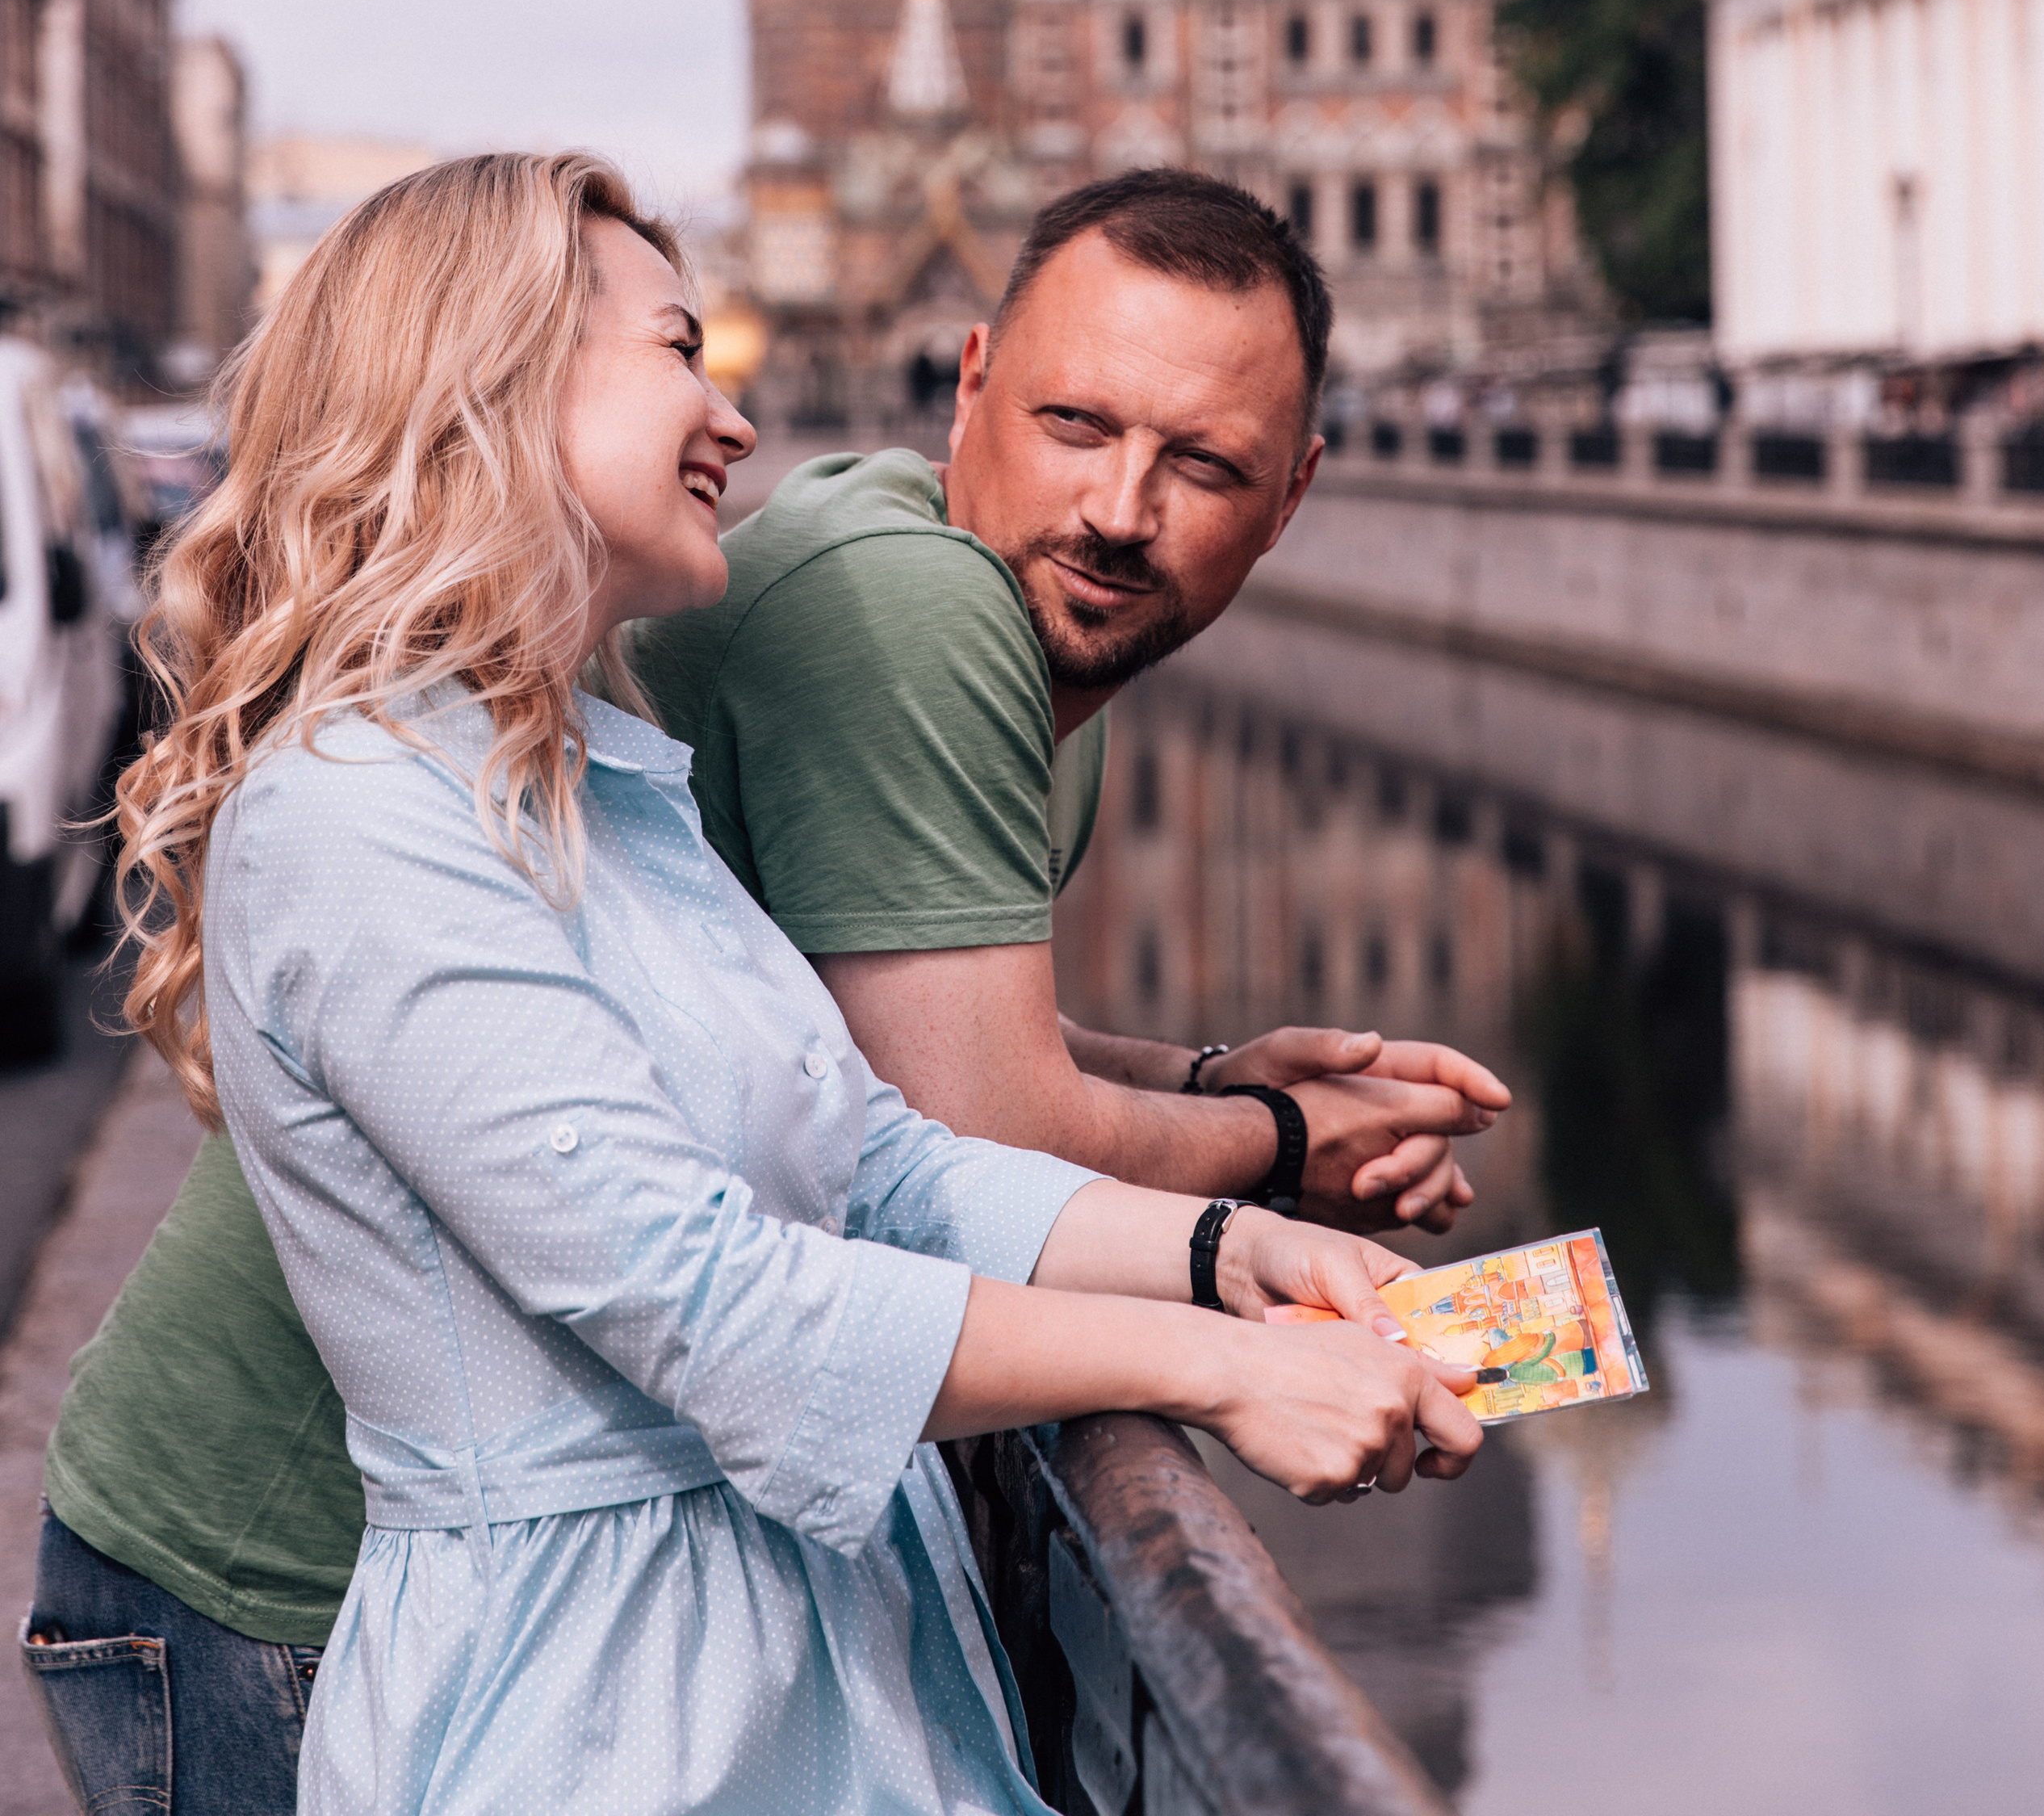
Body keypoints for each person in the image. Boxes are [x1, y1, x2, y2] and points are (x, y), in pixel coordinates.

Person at [23, 154, 1479, 1816]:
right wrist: (1215, 1361)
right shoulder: (357, 817)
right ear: (492, 382)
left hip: (772, 1672)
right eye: (674, 351)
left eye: (1200, 462)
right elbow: (706, 1300)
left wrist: (1232, 1250)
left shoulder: (598, 783)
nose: (729, 420)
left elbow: (876, 1154)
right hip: (567, 1711)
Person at [637, 169, 1508, 1221]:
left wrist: (1206, 1082)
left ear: (1291, 497)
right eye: (1077, 425)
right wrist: (1286, 1140)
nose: (1120, 511)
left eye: (1204, 463)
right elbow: (983, 1141)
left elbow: (906, 1024)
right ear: (970, 390)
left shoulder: (1013, 609)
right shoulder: (914, 597)